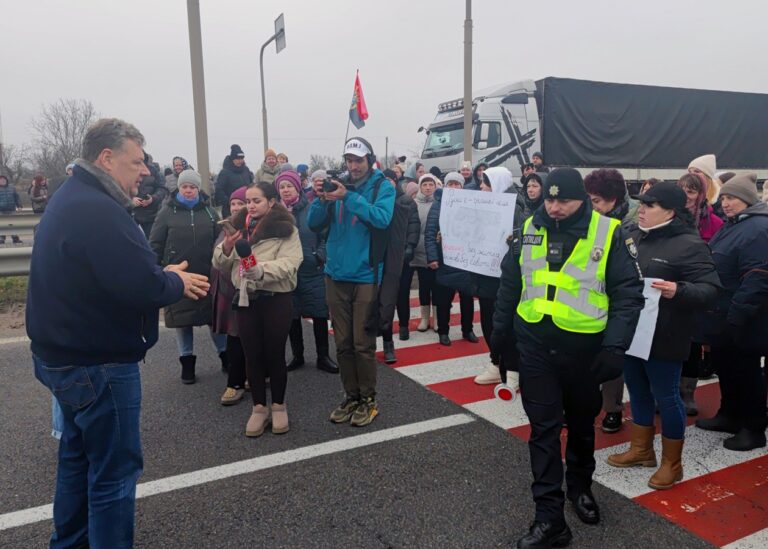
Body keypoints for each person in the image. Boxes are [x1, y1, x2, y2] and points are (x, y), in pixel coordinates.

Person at [27, 118, 210, 547]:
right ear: (106, 158)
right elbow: (140, 286)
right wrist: (174, 282)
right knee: (113, 475)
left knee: (75, 459)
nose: (145, 170)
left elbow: (108, 272)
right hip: (98, 364)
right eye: (136, 161)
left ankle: (68, 542)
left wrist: (156, 271)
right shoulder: (97, 209)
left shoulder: (72, 195)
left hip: (64, 356)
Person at [491, 168, 644, 547]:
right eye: (549, 199)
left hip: (585, 351)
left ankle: (580, 487)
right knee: (542, 430)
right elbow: (511, 282)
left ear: (583, 200)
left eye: (564, 200)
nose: (555, 207)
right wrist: (499, 334)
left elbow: (628, 294)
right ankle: (549, 519)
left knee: (579, 424)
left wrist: (614, 346)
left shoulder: (609, 232)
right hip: (535, 346)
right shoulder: (528, 228)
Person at [607, 182, 720, 490]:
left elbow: (711, 290)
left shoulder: (689, 244)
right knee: (637, 391)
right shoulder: (631, 235)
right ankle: (642, 450)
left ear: (670, 211)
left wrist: (678, 290)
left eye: (650, 206)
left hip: (666, 335)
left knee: (667, 396)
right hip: (631, 331)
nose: (641, 210)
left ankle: (673, 463)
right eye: (640, 204)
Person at [308, 137, 395, 427]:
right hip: (335, 274)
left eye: (359, 160)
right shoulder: (338, 185)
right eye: (349, 160)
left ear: (369, 160)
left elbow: (382, 218)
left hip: (366, 275)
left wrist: (348, 197)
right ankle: (351, 395)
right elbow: (313, 223)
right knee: (343, 343)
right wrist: (321, 199)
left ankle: (369, 399)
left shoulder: (382, 186)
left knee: (361, 343)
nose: (354, 165)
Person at [213, 182, 303, 437]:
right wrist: (228, 247)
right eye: (248, 201)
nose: (250, 206)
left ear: (271, 202)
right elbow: (219, 262)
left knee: (274, 353)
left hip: (276, 298)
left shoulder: (286, 229)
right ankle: (259, 408)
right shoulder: (236, 227)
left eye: (257, 201)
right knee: (251, 353)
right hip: (245, 299)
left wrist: (261, 270)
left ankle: (278, 405)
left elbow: (291, 263)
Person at [698, 173, 768, 451]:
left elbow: (758, 276)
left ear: (747, 200)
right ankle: (729, 415)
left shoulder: (758, 229)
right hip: (723, 313)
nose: (725, 203)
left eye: (732, 198)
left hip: (744, 317)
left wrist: (737, 315)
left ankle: (753, 427)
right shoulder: (734, 225)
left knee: (747, 371)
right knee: (727, 367)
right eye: (723, 197)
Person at [149, 169, 225, 384]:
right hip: (178, 275)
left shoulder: (209, 212)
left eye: (192, 187)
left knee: (214, 319)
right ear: (179, 188)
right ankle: (187, 364)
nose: (189, 190)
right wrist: (155, 269)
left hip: (207, 273)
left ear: (198, 188)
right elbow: (155, 243)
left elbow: (219, 240)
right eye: (185, 187)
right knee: (183, 322)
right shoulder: (166, 213)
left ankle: (225, 355)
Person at [584, 167, 641, 433]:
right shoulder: (588, 221)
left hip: (614, 301)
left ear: (613, 200)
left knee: (611, 359)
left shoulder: (628, 227)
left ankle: (613, 409)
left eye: (596, 201)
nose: (591, 206)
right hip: (587, 300)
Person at [275, 170, 338, 374]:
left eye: (289, 186)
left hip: (312, 269)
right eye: (282, 187)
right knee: (291, 315)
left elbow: (325, 236)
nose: (286, 190)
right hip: (287, 272)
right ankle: (297, 355)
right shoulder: (275, 214)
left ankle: (323, 356)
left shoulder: (312, 208)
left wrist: (319, 256)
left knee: (319, 313)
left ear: (298, 187)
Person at [212, 186, 249, 405]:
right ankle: (234, 383)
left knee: (253, 338)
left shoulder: (254, 227)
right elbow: (218, 260)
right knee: (234, 337)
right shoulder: (224, 229)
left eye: (241, 203)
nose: (236, 207)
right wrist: (226, 246)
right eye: (233, 203)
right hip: (229, 289)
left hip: (251, 286)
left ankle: (252, 377)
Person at [379, 168, 420, 362]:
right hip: (379, 257)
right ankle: (386, 337)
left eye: (390, 180)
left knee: (401, 293)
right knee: (383, 300)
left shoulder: (406, 201)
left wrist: (410, 246)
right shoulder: (377, 201)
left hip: (401, 255)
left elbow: (414, 225)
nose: (388, 183)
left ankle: (403, 325)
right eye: (384, 180)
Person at [405, 173, 440, 335]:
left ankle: (437, 318)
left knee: (437, 286)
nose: (427, 188)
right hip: (418, 251)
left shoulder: (440, 203)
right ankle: (424, 318)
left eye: (430, 185)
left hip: (435, 250)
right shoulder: (413, 204)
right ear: (420, 186)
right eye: (424, 185)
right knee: (424, 286)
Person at [677, 172, 723, 242]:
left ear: (701, 195)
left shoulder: (715, 223)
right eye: (681, 191)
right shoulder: (667, 217)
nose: (684, 196)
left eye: (690, 192)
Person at [132, 152, 168, 237]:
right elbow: (117, 188)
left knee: (152, 243)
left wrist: (153, 198)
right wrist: (129, 200)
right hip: (130, 214)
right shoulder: (124, 169)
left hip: (150, 215)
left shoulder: (153, 170)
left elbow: (162, 188)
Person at [215, 144, 254, 218]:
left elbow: (251, 185)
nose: (240, 161)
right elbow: (219, 190)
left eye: (241, 158)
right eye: (237, 159)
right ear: (232, 159)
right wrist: (230, 202)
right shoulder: (225, 172)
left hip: (246, 207)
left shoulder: (246, 170)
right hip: (230, 209)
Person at [0, 174, 23, 245]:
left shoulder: (12, 188)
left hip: (11, 209)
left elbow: (17, 197)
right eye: (1, 180)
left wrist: (19, 206)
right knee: (2, 225)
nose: (2, 181)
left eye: (4, 180)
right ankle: (1, 239)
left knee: (12, 224)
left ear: (6, 180)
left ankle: (15, 238)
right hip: (1, 210)